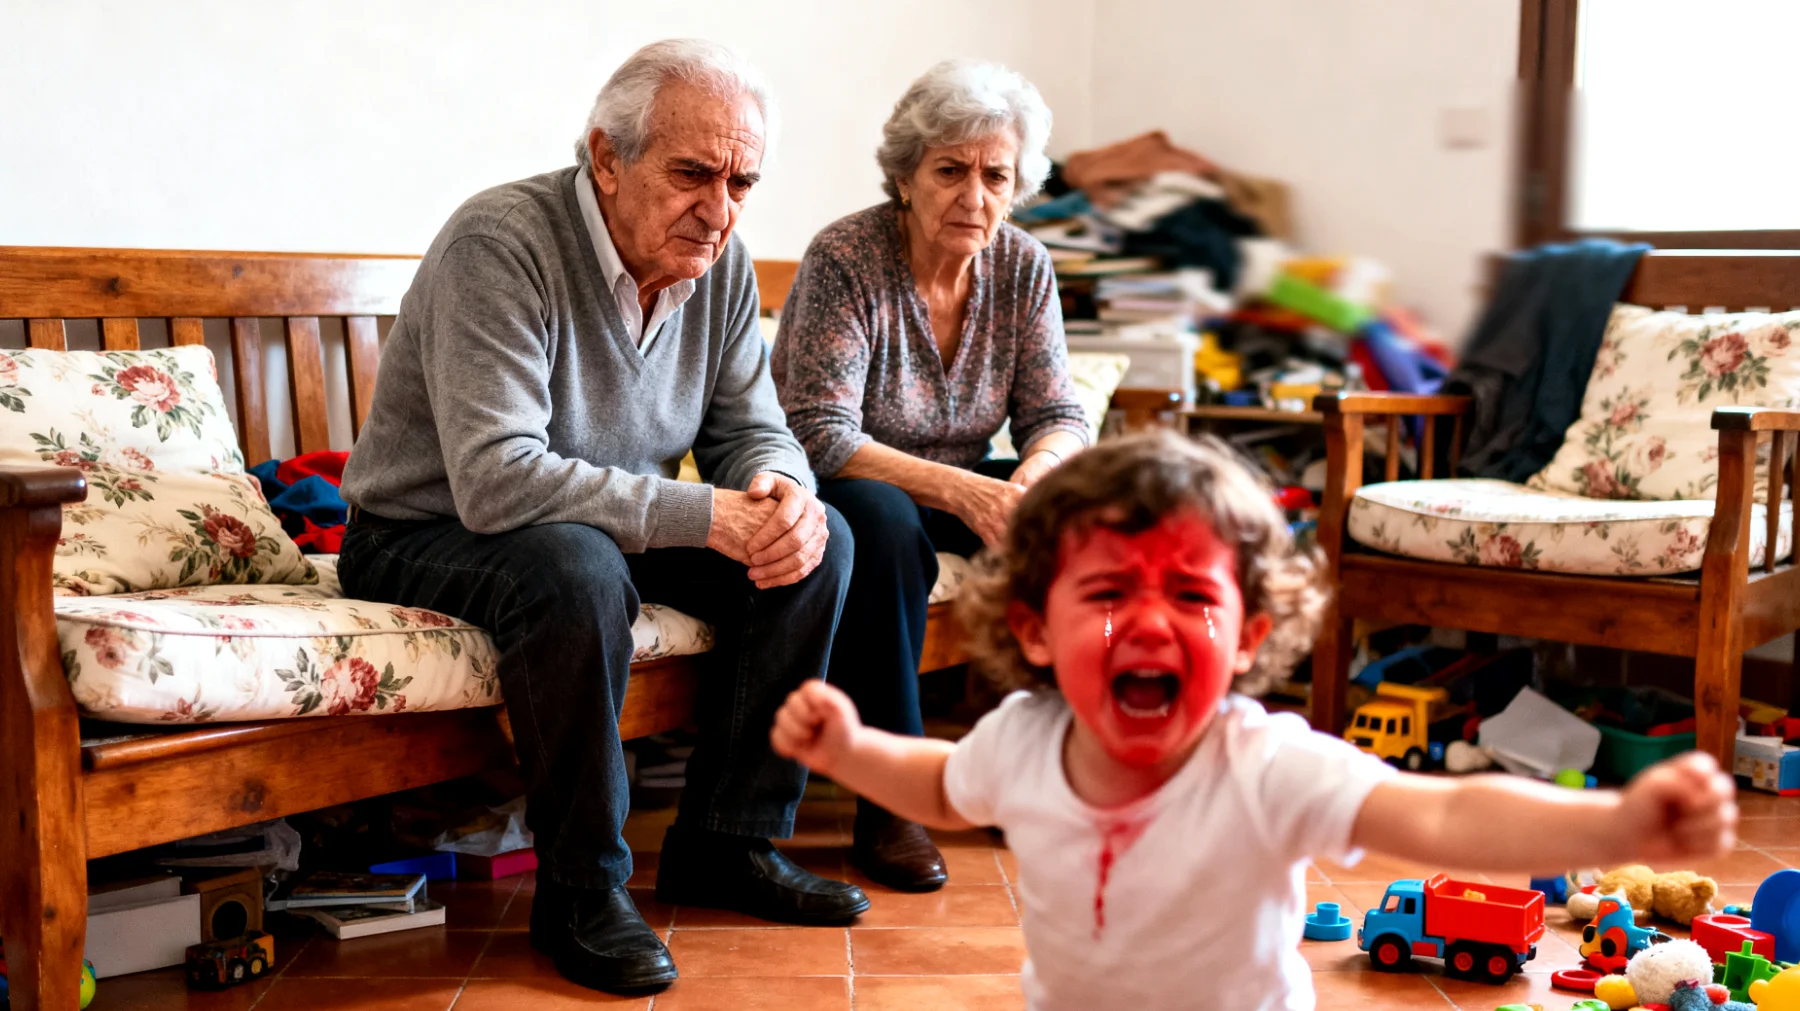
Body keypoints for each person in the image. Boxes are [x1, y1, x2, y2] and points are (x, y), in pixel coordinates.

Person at [770, 432, 1740, 1011]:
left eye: (1191, 597)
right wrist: (853, 750)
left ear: (1249, 636)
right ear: (1033, 628)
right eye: (1109, 592)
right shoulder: (1023, 740)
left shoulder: (1265, 765)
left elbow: (1441, 818)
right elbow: (940, 787)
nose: (1150, 620)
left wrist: (1619, 823)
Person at [337, 39, 869, 997]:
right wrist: (706, 513)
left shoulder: (723, 263)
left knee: (819, 548)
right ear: (607, 157)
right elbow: (498, 479)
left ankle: (728, 843)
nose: (719, 209)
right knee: (577, 568)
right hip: (423, 532)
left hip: (596, 526)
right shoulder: (500, 243)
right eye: (693, 173)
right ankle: (581, 889)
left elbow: (753, 427)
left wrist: (785, 489)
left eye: (743, 180)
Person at [770, 60, 1090, 892]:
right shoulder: (848, 256)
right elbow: (818, 431)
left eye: (995, 175)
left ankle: (1061, 773)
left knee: (1071, 523)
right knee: (883, 524)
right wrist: (966, 491)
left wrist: (1034, 478)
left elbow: (1057, 413)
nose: (973, 194)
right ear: (906, 177)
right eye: (950, 170)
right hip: (840, 478)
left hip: (964, 476)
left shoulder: (1023, 267)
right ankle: (895, 798)